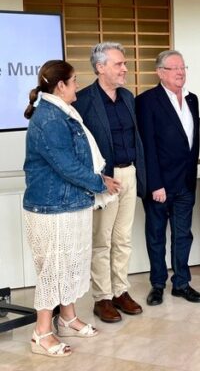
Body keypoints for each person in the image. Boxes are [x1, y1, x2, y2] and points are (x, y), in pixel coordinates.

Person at [23, 60, 120, 356]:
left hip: (69, 203)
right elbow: (65, 165)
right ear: (60, 85)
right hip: (52, 207)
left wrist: (97, 179)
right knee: (54, 269)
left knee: (70, 265)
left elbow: (75, 160)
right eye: (75, 80)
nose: (78, 84)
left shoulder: (62, 112)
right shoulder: (50, 118)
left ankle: (67, 318)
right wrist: (99, 182)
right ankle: (41, 333)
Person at [74, 42, 146, 323]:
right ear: (100, 67)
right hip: (105, 179)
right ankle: (102, 297)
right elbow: (79, 148)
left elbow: (137, 138)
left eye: (124, 63)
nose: (125, 68)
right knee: (102, 241)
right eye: (118, 64)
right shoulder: (83, 101)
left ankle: (120, 291)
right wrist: (97, 180)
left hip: (129, 174)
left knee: (123, 239)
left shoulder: (128, 97)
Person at [136, 50, 200, 306]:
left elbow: (192, 141)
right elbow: (147, 146)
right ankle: (157, 284)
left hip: (185, 182)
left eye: (182, 67)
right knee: (156, 235)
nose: (180, 72)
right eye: (174, 68)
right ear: (160, 72)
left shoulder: (192, 99)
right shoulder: (147, 100)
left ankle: (182, 283)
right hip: (160, 185)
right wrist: (155, 183)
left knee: (182, 235)